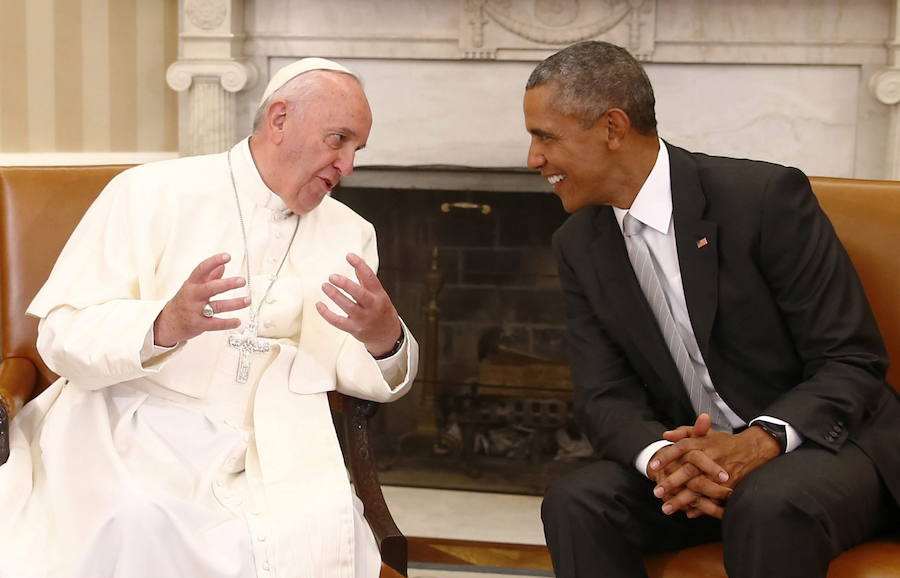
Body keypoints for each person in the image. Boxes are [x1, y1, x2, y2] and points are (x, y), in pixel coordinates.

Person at [0, 58, 418, 578]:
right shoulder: (149, 193)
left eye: (357, 149)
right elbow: (61, 335)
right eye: (339, 140)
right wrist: (162, 324)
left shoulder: (349, 232)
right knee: (137, 519)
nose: (349, 165)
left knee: (324, 534)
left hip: (276, 439)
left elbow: (352, 363)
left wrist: (385, 340)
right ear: (280, 119)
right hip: (134, 423)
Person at [524, 41, 900, 578]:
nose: (533, 158)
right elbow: (603, 395)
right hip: (698, 463)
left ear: (612, 128)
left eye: (545, 137)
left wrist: (757, 442)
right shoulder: (578, 243)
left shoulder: (765, 198)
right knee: (577, 500)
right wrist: (663, 459)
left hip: (823, 445)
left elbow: (852, 358)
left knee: (768, 500)